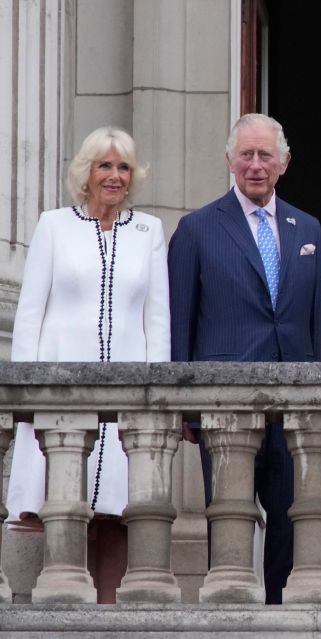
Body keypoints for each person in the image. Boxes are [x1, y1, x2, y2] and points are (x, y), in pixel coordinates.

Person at [6, 126, 169, 603]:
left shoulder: (149, 231)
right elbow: (30, 313)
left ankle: (111, 618)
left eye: (123, 167)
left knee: (118, 511)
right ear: (86, 172)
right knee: (60, 506)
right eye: (105, 165)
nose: (114, 176)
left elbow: (157, 320)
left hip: (127, 393)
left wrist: (156, 396)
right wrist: (23, 395)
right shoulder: (54, 225)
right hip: (59, 390)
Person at [167, 113, 321, 604]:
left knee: (292, 519)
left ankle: (280, 617)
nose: (256, 165)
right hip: (226, 405)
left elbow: (313, 322)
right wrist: (185, 406)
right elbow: (180, 324)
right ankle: (229, 616)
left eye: (265, 156)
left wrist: (316, 397)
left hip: (294, 404)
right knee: (230, 520)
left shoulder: (310, 228)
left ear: (284, 163)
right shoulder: (195, 229)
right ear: (230, 159)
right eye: (247, 154)